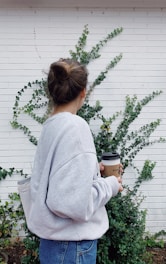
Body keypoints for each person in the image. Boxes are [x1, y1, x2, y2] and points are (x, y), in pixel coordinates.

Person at [28, 58, 123, 264]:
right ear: (83, 93)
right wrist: (111, 185)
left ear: (52, 92)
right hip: (71, 246)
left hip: (54, 243)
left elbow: (58, 179)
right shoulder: (75, 127)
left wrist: (92, 169)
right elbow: (72, 204)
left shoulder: (51, 126)